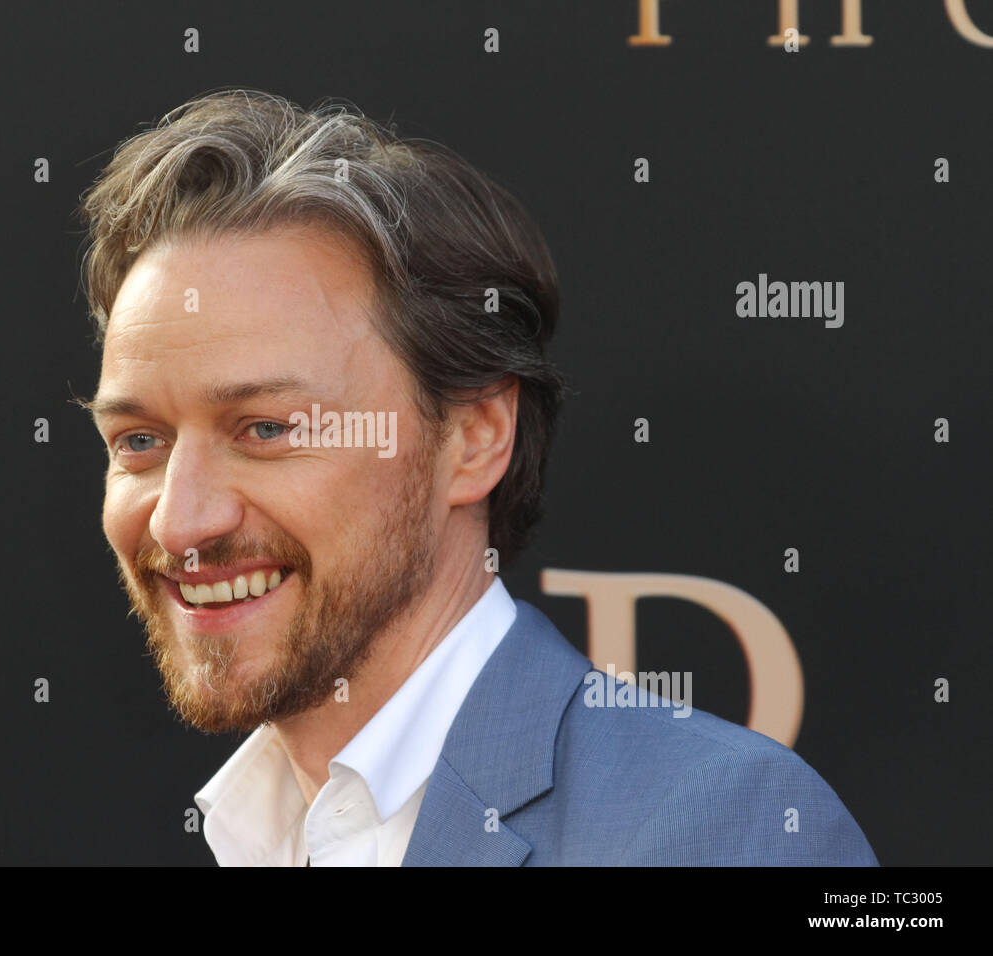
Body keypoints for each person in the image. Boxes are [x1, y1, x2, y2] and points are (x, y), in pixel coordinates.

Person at [76, 89, 878, 866]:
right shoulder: (250, 832)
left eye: (268, 429)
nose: (181, 522)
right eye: (139, 440)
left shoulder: (728, 834)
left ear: (473, 438)